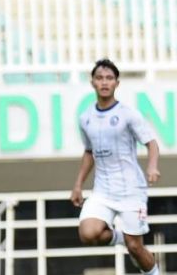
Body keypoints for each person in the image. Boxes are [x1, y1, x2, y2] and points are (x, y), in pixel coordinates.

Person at [70, 59, 161, 275]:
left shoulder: (128, 114)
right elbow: (89, 152)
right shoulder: (85, 118)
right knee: (88, 233)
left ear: (117, 83)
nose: (104, 82)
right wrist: (78, 185)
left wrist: (152, 167)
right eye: (100, 78)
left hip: (131, 190)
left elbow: (151, 143)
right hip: (103, 190)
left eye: (109, 78)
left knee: (135, 248)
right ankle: (120, 237)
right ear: (92, 82)